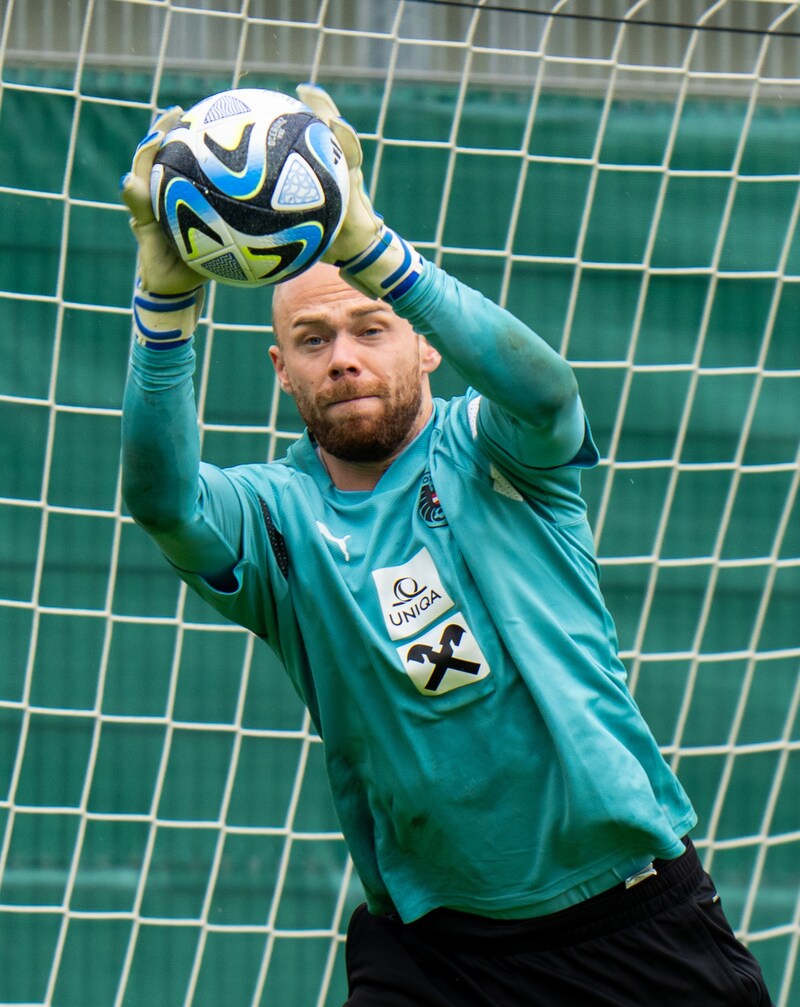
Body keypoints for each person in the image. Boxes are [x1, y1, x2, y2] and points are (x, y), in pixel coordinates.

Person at [119, 86, 774, 1006]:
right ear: (280, 369)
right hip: (435, 956)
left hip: (628, 921)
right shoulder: (273, 518)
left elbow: (549, 393)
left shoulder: (493, 447)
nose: (342, 355)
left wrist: (371, 247)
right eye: (311, 339)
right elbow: (162, 501)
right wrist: (166, 288)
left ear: (423, 343)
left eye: (369, 327)